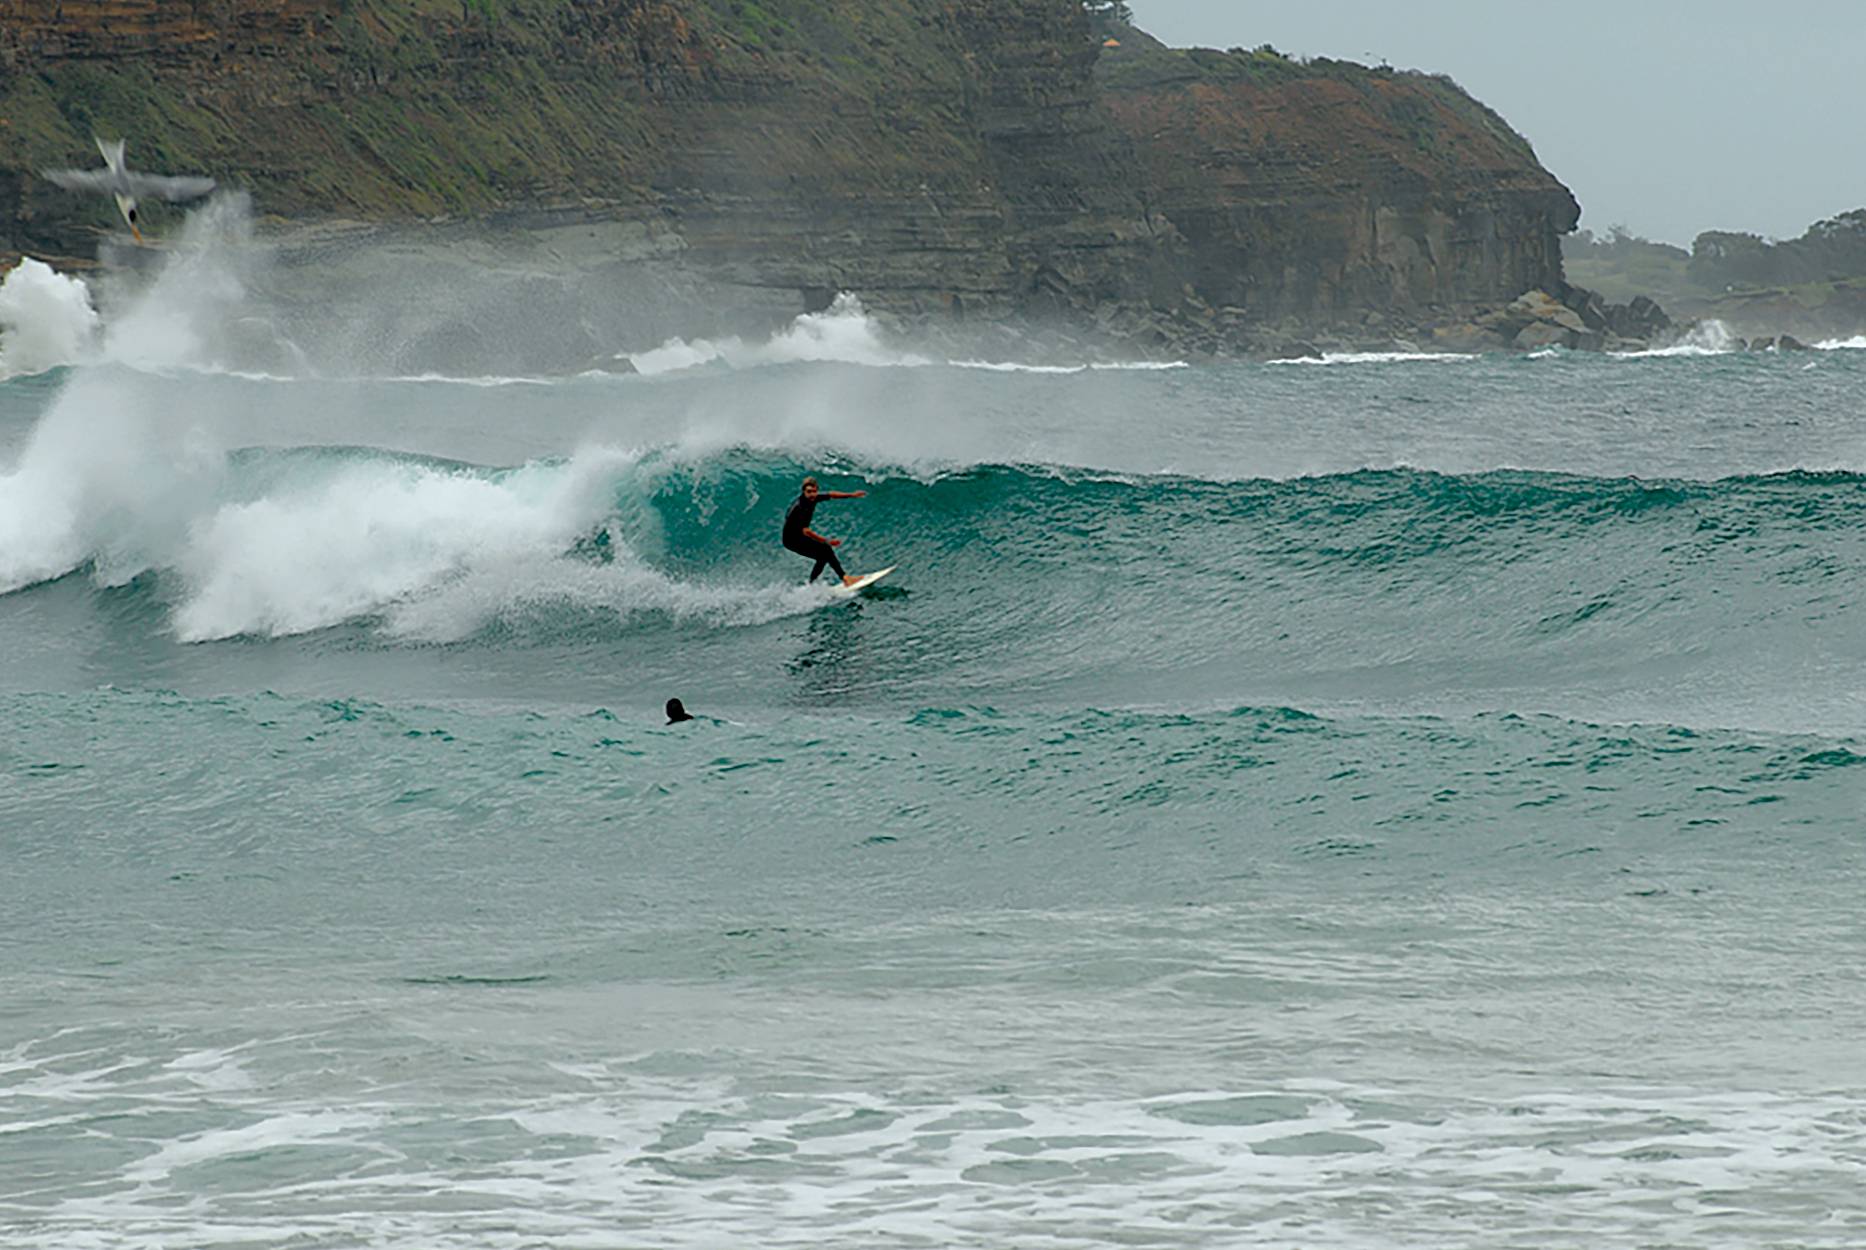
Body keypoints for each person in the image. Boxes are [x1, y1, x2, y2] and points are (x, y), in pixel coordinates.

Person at [782, 476, 866, 585]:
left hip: (799, 536)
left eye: (814, 491)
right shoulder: (800, 507)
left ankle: (811, 585)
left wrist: (851, 495)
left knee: (822, 557)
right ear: (803, 491)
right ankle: (845, 578)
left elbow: (831, 495)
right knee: (826, 549)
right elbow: (806, 531)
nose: (812, 494)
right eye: (809, 492)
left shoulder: (812, 498)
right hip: (791, 540)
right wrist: (827, 541)